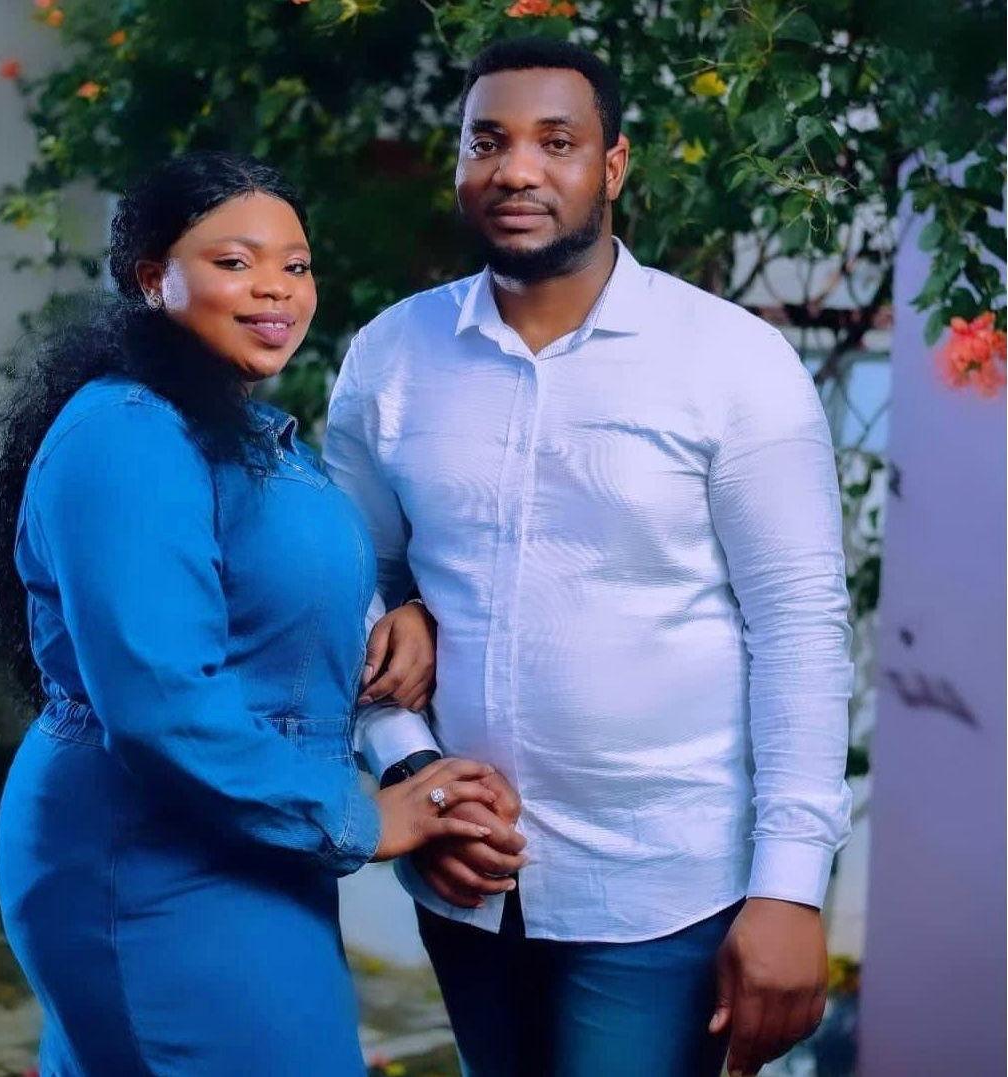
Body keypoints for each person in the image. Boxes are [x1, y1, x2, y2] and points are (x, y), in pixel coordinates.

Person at [325, 38, 853, 1077]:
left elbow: (798, 628)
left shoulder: (733, 362)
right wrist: (411, 767)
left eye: (555, 142)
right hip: (463, 880)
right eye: (488, 141)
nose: (516, 169)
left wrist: (790, 887)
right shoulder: (391, 355)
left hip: (664, 890)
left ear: (612, 166)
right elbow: (344, 586)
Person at [0, 151, 500, 1076]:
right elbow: (163, 703)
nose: (276, 288)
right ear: (152, 278)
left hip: (241, 838)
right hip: (152, 861)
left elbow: (280, 602)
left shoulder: (235, 428)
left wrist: (403, 616)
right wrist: (366, 819)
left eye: (295, 265)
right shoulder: (130, 434)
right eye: (234, 262)